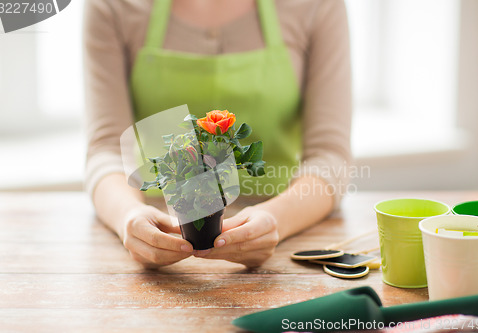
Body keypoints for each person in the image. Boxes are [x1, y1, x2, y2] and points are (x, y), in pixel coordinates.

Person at [83, 0, 352, 268]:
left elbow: (330, 155)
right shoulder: (111, 5)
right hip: (159, 240)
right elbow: (104, 150)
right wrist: (128, 215)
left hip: (284, 242)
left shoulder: (317, 5)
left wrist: (276, 219)